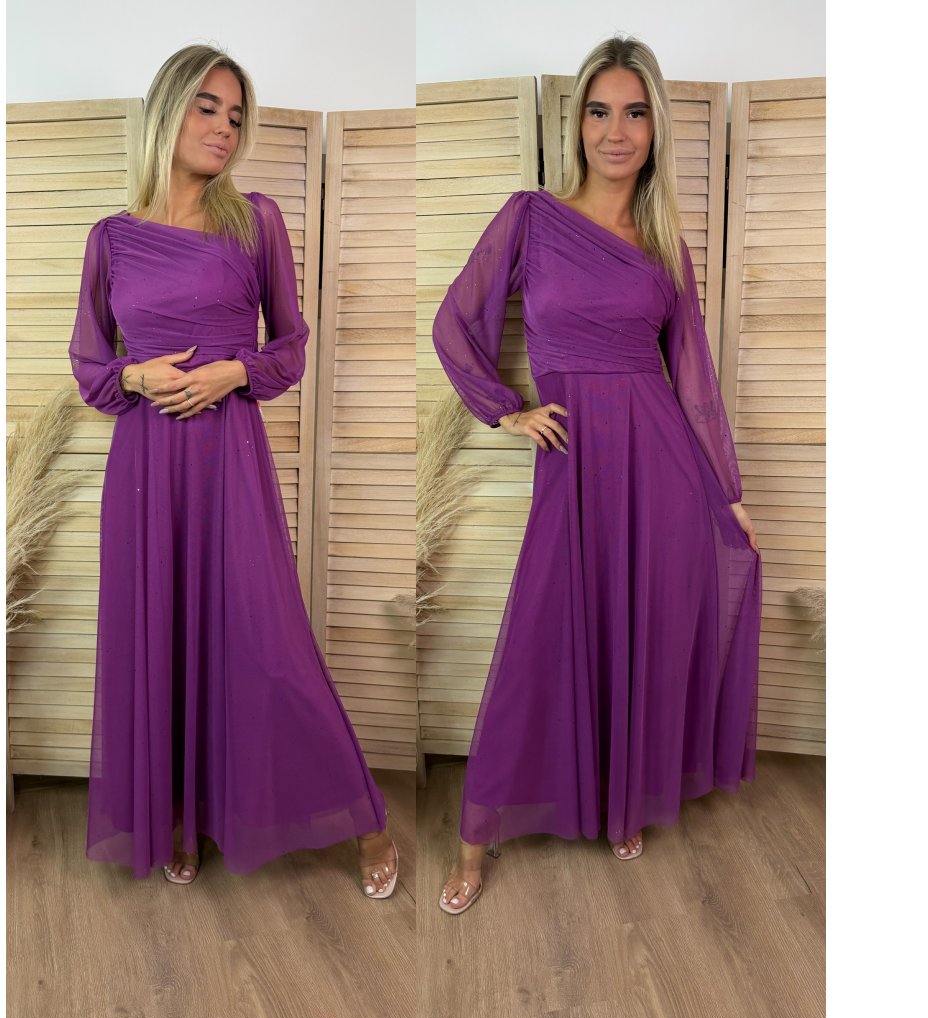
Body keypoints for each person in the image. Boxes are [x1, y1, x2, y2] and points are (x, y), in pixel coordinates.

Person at [431, 35, 762, 914]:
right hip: (572, 466)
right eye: (600, 111)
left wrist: (727, 493)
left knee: (645, 632)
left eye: (636, 112)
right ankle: (475, 838)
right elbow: (453, 323)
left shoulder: (664, 246)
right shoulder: (530, 218)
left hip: (663, 468)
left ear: (656, 128)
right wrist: (506, 408)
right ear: (575, 123)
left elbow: (692, 376)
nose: (617, 131)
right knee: (543, 635)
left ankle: (627, 799)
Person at [69, 44, 397, 897]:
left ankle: (364, 818)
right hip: (145, 471)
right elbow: (90, 370)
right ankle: (179, 817)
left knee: (267, 643)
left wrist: (233, 372)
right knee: (161, 641)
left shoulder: (254, 220)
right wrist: (136, 377)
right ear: (167, 110)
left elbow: (291, 346)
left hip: (230, 463)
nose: (225, 127)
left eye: (236, 115)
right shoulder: (111, 239)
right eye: (208, 107)